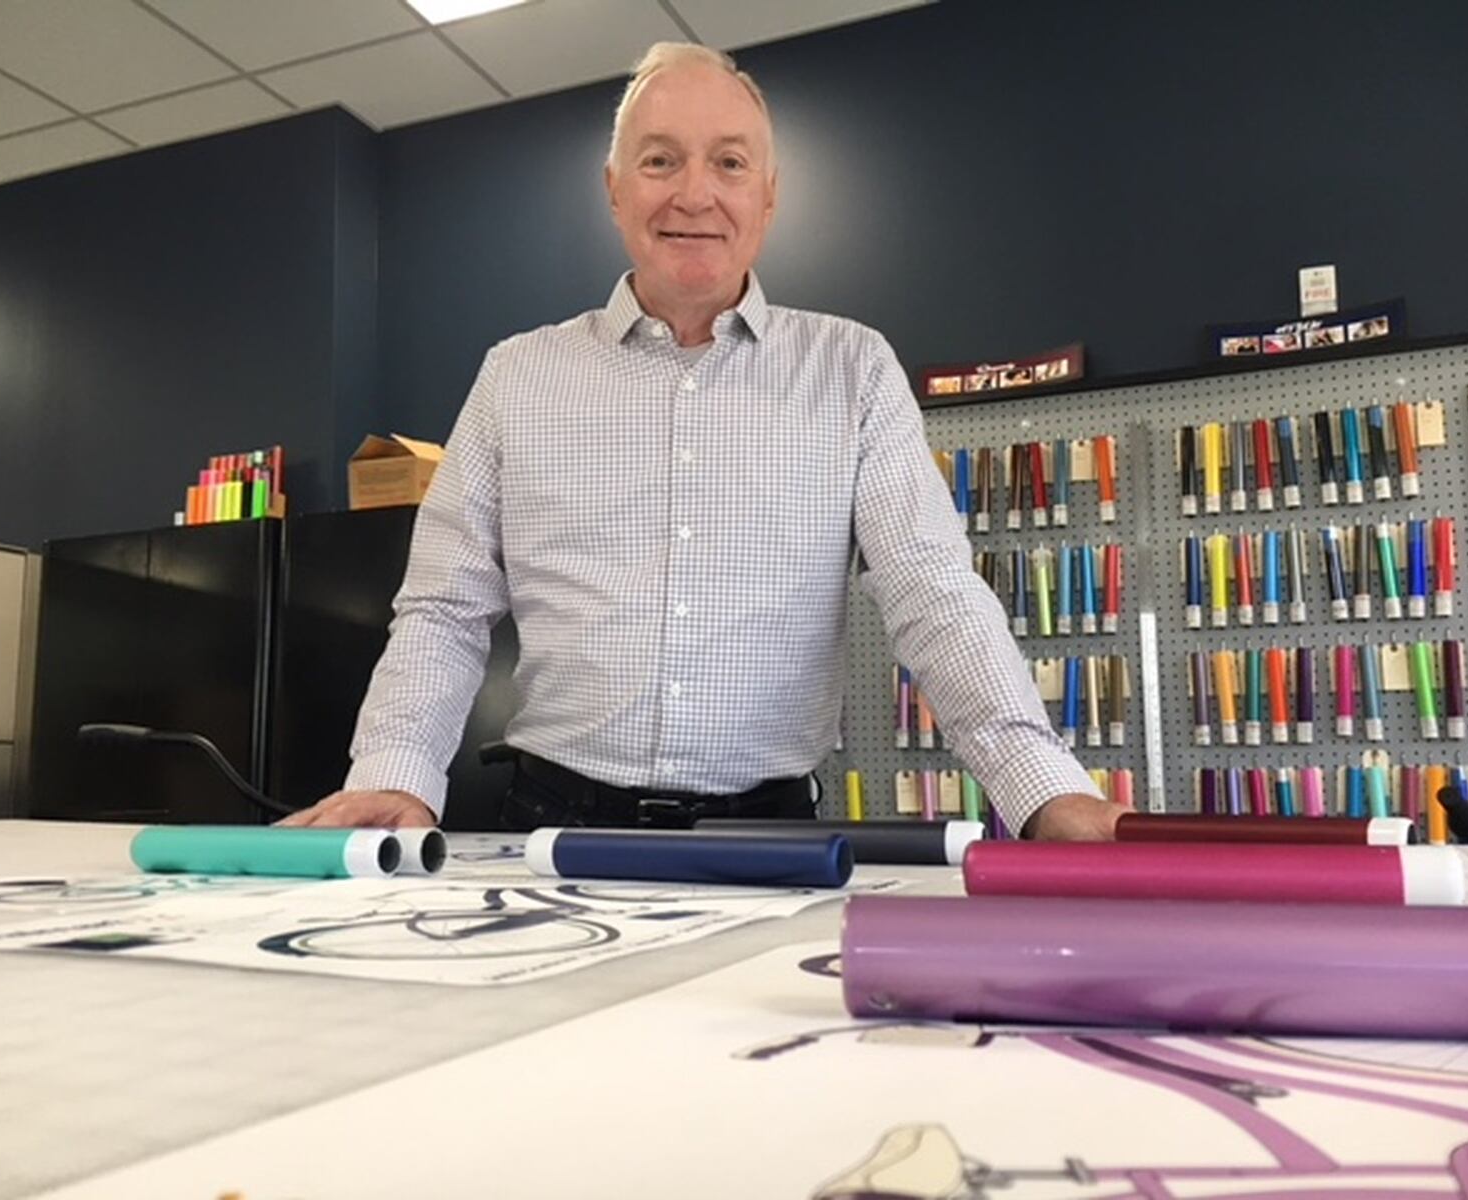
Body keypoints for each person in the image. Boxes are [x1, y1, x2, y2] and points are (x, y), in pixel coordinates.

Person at [281, 42, 1120, 841]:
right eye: (659, 160)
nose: (694, 194)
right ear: (614, 190)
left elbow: (932, 592)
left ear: (768, 195)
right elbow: (444, 609)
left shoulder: (852, 368)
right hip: (550, 825)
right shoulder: (516, 375)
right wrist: (395, 775)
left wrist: (1044, 791)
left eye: (728, 162)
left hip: (770, 835)